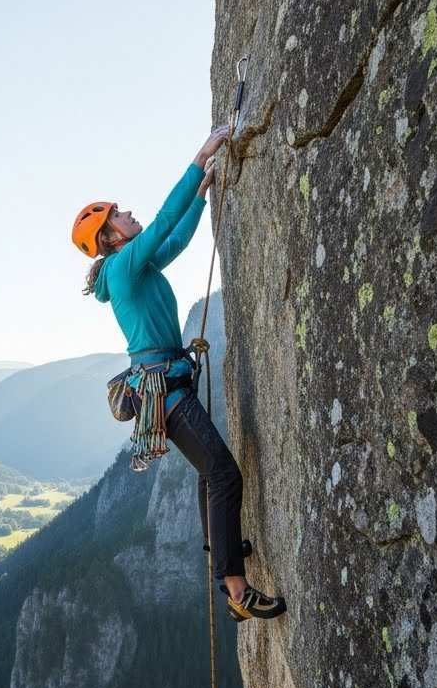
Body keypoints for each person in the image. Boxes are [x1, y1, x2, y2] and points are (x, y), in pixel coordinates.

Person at [72, 127, 286, 622]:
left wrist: (204, 192)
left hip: (166, 385)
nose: (129, 214)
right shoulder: (124, 267)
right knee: (223, 471)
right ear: (110, 235)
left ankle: (221, 549)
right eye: (119, 214)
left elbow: (178, 235)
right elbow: (165, 219)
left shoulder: (137, 269)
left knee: (210, 472)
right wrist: (199, 160)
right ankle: (236, 589)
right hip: (164, 390)